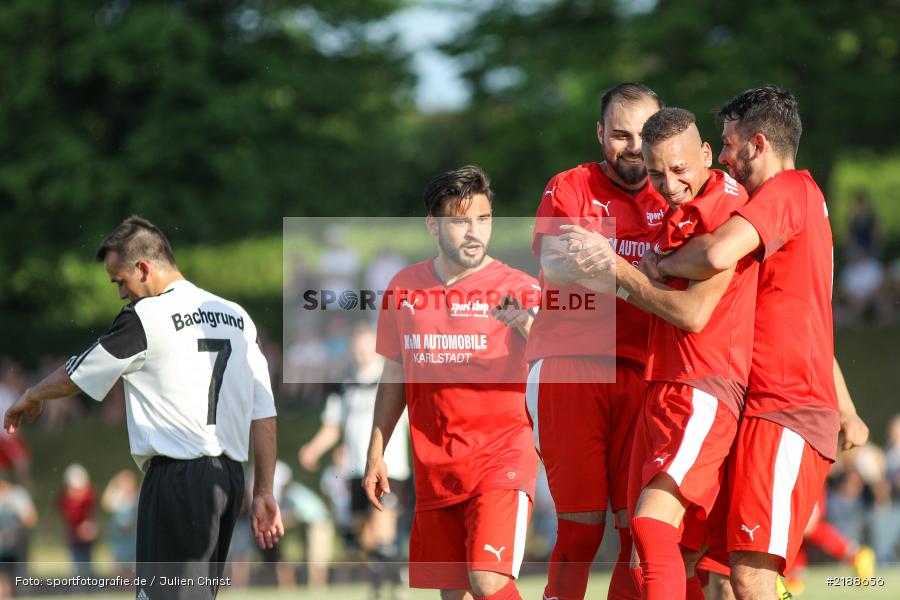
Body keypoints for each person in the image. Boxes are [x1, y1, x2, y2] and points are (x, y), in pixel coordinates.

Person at [646, 85, 866, 599]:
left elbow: (716, 254)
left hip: (784, 408)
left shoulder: (788, 190)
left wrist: (657, 264)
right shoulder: (788, 203)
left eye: (728, 143)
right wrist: (848, 410)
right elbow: (811, 324)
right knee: (712, 570)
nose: (723, 157)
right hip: (758, 408)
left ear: (758, 143)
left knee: (750, 576)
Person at [4, 216, 283, 600]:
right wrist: (264, 489)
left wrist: (33, 394)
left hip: (178, 479)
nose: (122, 293)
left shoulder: (147, 317)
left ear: (144, 268)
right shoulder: (238, 317)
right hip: (229, 481)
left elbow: (78, 373)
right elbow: (264, 414)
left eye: (120, 281)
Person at [561, 107, 757, 600]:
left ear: (707, 154)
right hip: (664, 384)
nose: (669, 185)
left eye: (679, 168)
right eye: (656, 173)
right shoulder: (682, 210)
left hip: (702, 385)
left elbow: (692, 314)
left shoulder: (723, 206)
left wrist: (617, 271)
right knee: (645, 553)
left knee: (651, 529)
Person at [364, 165, 539, 599]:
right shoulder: (404, 288)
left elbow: (556, 363)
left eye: (484, 219)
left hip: (501, 458)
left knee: (488, 580)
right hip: (435, 468)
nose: (474, 232)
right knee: (454, 593)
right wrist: (376, 450)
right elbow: (395, 374)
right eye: (461, 221)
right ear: (433, 225)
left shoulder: (519, 287)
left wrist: (526, 324)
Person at [527, 82, 666, 600]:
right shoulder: (571, 185)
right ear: (599, 133)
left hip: (643, 371)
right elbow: (557, 263)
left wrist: (603, 258)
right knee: (581, 531)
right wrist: (640, 276)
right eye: (620, 135)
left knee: (639, 534)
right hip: (569, 365)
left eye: (644, 134)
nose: (633, 147)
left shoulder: (674, 194)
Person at [299, 320, 412, 596]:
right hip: (355, 469)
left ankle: (383, 588)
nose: (362, 352)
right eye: (358, 347)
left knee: (382, 529)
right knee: (365, 536)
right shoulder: (346, 383)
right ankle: (397, 572)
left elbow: (412, 420)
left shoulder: (391, 376)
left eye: (367, 346)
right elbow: (333, 425)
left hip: (391, 466)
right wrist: (314, 448)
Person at [56, 463, 99, 577]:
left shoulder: (89, 495)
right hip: (73, 536)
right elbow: (63, 516)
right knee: (77, 566)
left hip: (86, 536)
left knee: (88, 564)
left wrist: (89, 527)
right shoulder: (65, 497)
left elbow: (93, 514)